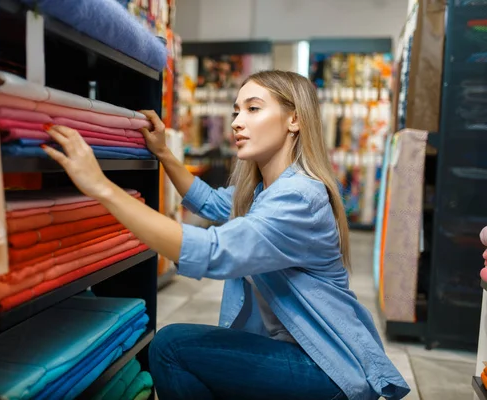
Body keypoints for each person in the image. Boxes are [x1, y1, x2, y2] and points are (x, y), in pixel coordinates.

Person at [41, 70, 410, 400]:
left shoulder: (299, 196)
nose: (236, 122)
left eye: (252, 109)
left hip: (325, 367)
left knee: (170, 346)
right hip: (300, 354)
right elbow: (212, 203)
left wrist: (101, 187)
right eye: (236, 111)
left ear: (294, 119)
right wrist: (164, 153)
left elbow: (212, 252)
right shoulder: (268, 191)